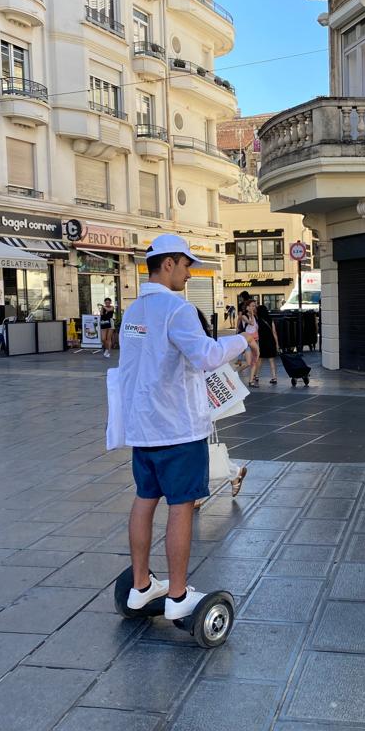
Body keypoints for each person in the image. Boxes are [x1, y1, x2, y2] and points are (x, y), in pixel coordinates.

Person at [118, 234, 253, 616]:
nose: (189, 272)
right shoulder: (176, 310)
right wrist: (243, 340)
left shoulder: (134, 312)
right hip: (178, 428)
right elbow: (206, 355)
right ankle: (178, 596)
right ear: (169, 263)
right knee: (181, 505)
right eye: (186, 264)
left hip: (144, 428)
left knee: (145, 500)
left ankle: (141, 586)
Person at [192, 307, 248, 510]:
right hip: (193, 405)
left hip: (202, 405)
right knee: (198, 449)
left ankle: (197, 493)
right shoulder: (192, 341)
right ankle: (234, 473)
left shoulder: (201, 344)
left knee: (199, 449)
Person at [255, 303, 281, 385]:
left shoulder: (257, 321)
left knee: (260, 360)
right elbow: (274, 332)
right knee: (271, 360)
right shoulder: (270, 319)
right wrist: (277, 344)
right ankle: (274, 377)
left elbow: (256, 333)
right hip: (271, 342)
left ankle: (257, 376)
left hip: (262, 342)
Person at [237, 298, 261, 386]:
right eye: (252, 306)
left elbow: (256, 327)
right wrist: (251, 313)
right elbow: (250, 323)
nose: (253, 308)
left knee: (254, 361)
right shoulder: (244, 316)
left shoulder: (255, 316)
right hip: (247, 340)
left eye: (254, 306)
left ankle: (251, 381)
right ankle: (235, 372)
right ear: (247, 307)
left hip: (255, 340)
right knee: (248, 363)